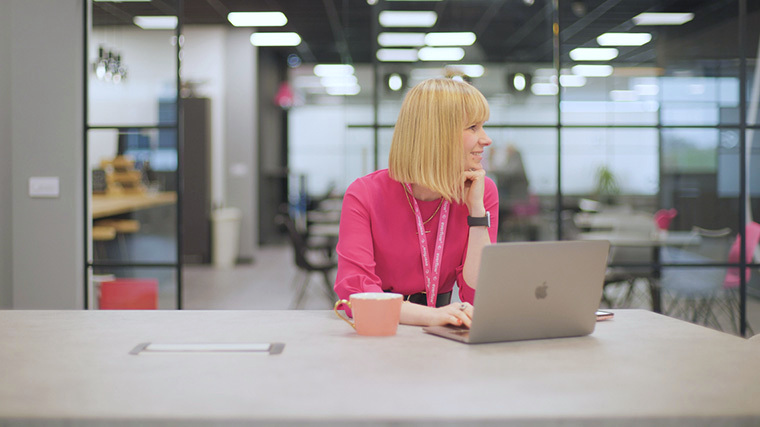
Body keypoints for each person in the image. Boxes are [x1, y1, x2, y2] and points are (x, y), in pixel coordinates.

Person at [334, 78, 498, 328]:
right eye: (473, 127)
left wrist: (477, 213)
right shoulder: (365, 194)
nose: (486, 139)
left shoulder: (481, 192)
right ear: (437, 135)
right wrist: (431, 316)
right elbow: (355, 294)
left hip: (446, 328)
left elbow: (480, 295)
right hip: (384, 328)